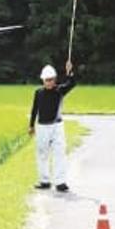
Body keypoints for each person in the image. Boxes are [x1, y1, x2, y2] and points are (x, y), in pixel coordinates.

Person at [29, 60, 76, 192]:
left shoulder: (59, 91)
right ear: (43, 80)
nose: (49, 82)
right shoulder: (38, 93)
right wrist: (31, 125)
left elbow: (72, 84)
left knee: (59, 153)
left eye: (51, 80)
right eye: (46, 80)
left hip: (57, 126)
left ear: (55, 79)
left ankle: (60, 182)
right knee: (42, 154)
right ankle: (44, 181)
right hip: (42, 127)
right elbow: (34, 109)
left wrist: (69, 72)